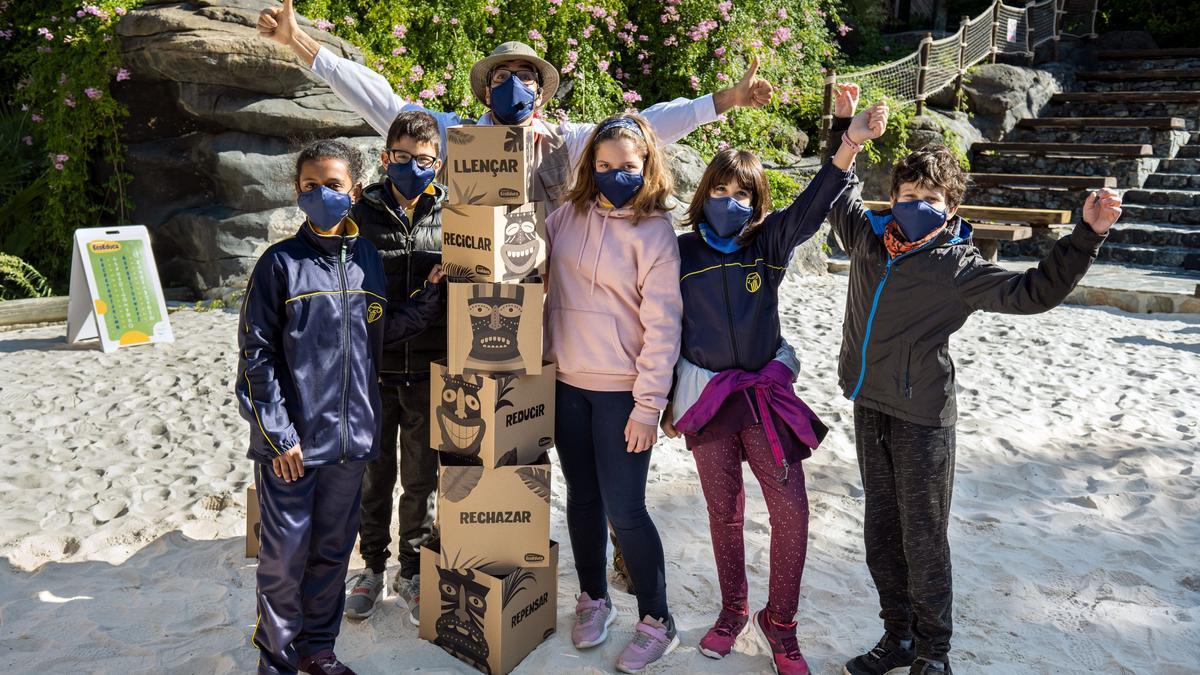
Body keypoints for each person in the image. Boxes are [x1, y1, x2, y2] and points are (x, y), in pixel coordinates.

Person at [826, 83, 1122, 675]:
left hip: (923, 418)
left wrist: (1086, 236)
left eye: (930, 196)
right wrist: (843, 130)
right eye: (908, 193)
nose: (916, 202)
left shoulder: (958, 265)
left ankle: (934, 655)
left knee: (923, 536)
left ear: (950, 207)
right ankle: (899, 638)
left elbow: (1033, 292)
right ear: (894, 195)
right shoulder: (866, 241)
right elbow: (836, 193)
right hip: (868, 404)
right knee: (881, 533)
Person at [660, 101, 888, 675]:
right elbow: (658, 327)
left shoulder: (768, 244)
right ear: (703, 192)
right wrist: (661, 401)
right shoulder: (678, 252)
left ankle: (779, 621)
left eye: (742, 193)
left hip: (764, 400)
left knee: (792, 510)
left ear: (756, 203)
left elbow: (814, 205)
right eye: (719, 189)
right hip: (708, 400)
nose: (728, 201)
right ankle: (733, 609)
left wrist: (848, 141)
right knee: (724, 513)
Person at [237, 139, 446, 675]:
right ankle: (277, 663)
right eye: (311, 186)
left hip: (352, 442)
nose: (322, 194)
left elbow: (381, 331)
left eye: (333, 185)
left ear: (353, 191)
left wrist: (428, 296)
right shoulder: (278, 264)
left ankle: (317, 652)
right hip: (294, 447)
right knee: (284, 562)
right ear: (297, 192)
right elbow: (255, 359)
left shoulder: (368, 261)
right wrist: (280, 436)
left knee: (332, 554)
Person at [256, 0, 774, 213]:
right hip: (472, 289)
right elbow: (380, 102)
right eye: (501, 77)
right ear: (486, 91)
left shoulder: (566, 141)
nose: (514, 85)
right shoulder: (453, 134)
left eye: (525, 76)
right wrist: (300, 42)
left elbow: (644, 127)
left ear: (541, 92)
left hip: (548, 291)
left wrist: (727, 98)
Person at [543, 114, 681, 673]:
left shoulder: (656, 233)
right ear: (589, 167)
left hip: (624, 394)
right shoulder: (566, 216)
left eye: (627, 166)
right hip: (567, 384)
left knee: (626, 510)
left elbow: (663, 327)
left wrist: (649, 406)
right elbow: (519, 255)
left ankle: (657, 619)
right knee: (582, 499)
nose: (615, 174)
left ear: (646, 165)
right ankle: (594, 598)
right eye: (603, 166)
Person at [341, 110, 447, 626]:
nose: (412, 168)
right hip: (373, 371)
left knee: (423, 479)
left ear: (439, 164)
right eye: (402, 157)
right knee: (373, 475)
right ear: (386, 158)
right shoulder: (358, 214)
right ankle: (372, 567)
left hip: (431, 371)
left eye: (424, 160)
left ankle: (412, 571)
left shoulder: (456, 217)